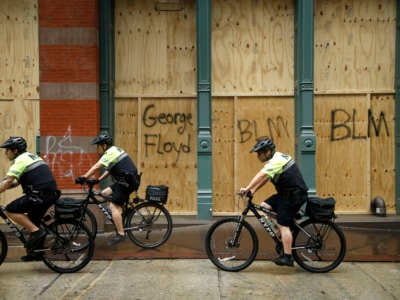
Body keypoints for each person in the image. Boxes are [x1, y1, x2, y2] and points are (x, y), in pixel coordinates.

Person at [240, 138, 308, 266]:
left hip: (294, 195)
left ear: (268, 151)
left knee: (283, 224)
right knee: (265, 206)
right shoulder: (276, 160)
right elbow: (265, 178)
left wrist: (247, 188)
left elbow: (261, 175)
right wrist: (253, 190)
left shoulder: (276, 160)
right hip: (286, 194)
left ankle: (288, 257)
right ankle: (286, 233)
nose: (258, 156)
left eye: (260, 153)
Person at [0, 136, 59, 261]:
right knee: (33, 221)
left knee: (10, 209)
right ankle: (36, 253)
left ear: (15, 150)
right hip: (48, 194)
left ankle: (37, 232)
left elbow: (7, 182)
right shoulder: (30, 157)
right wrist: (4, 186)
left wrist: (3, 186)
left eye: (7, 150)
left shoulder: (20, 160)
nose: (5, 153)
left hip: (39, 195)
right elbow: (14, 182)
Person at [78, 133, 139, 246]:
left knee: (113, 206)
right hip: (124, 181)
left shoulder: (110, 152)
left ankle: (121, 233)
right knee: (104, 193)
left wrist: (84, 177)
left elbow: (97, 166)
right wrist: (98, 180)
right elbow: (110, 169)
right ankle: (119, 215)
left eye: (98, 146)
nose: (97, 148)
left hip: (126, 183)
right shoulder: (114, 151)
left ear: (104, 145)